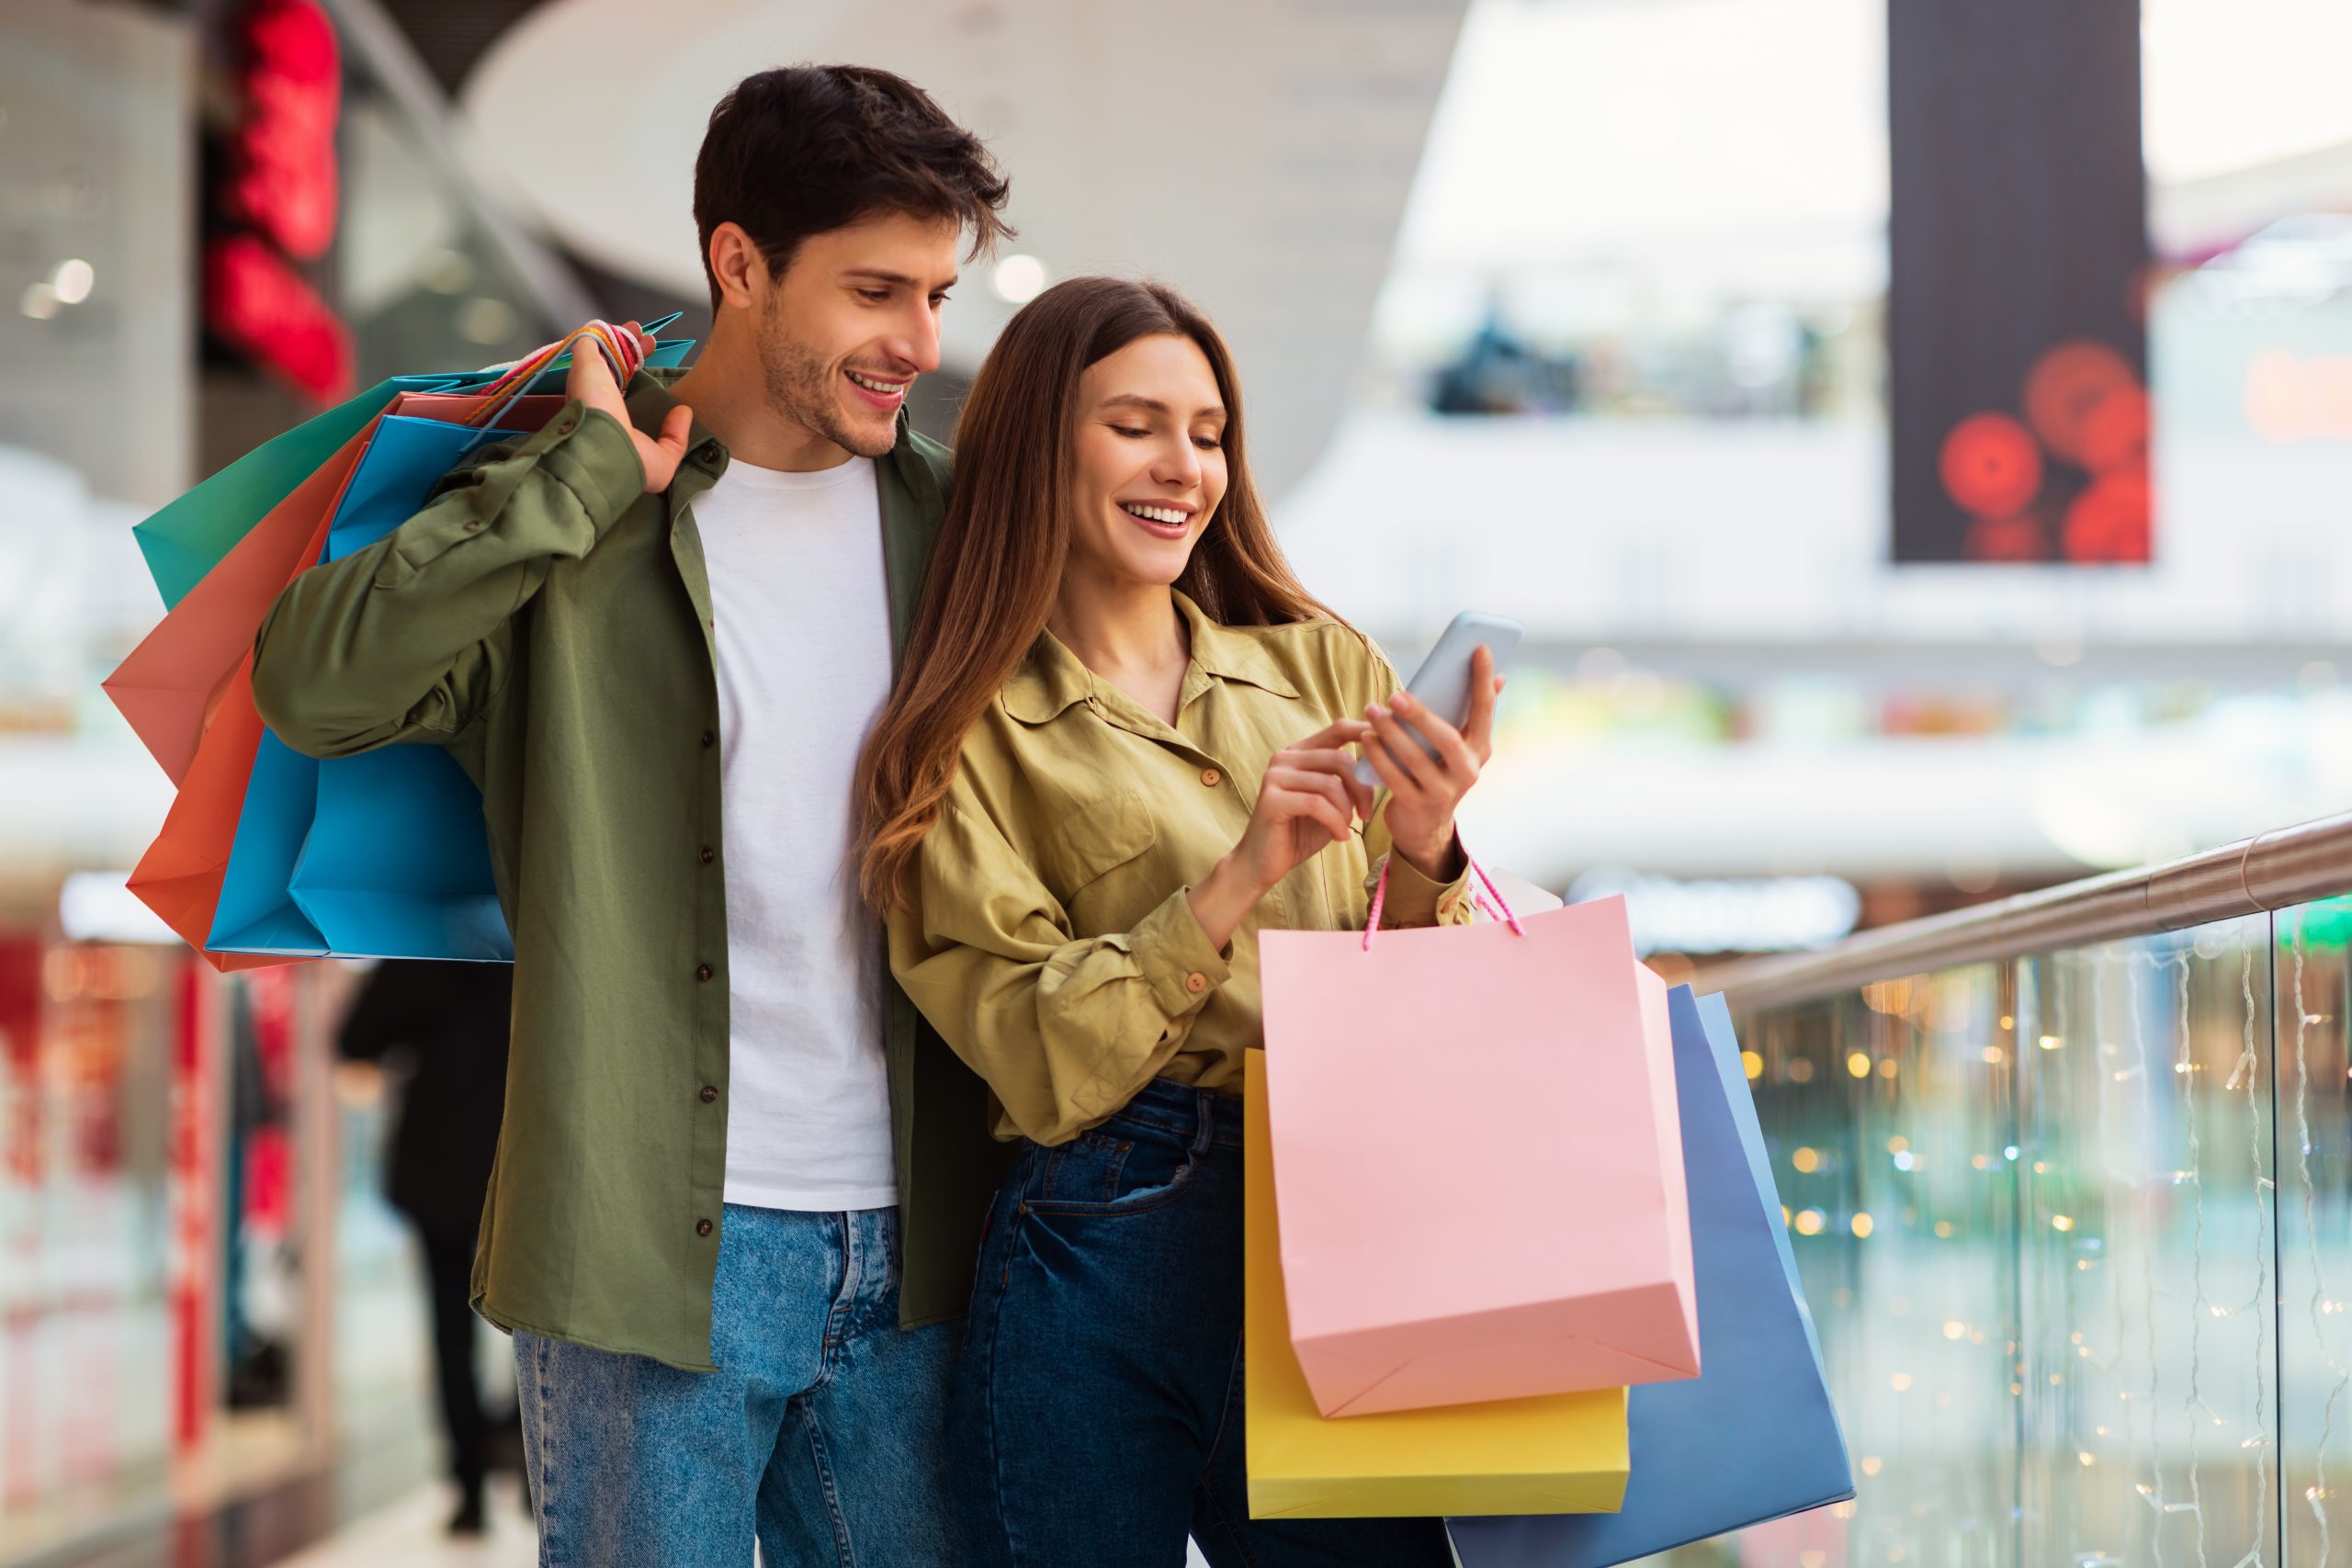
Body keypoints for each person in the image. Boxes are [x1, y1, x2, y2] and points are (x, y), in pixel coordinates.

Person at [252, 66, 1012, 1567]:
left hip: (926, 1245)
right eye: (877, 290)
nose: (920, 343)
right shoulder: (569, 503)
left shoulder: (964, 528)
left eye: (937, 292)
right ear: (740, 264)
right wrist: (578, 480)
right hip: (647, 1249)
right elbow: (315, 683)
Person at [854, 276, 1503, 1567]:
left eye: (1208, 432)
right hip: (1104, 1230)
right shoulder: (957, 734)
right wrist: (1238, 871)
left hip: (1342, 1207)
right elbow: (1035, 1055)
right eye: (1137, 424)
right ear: (1043, 441)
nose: (1184, 466)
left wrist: (1429, 850)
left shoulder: (1324, 666)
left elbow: (1437, 1010)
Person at [335, 959, 516, 1536]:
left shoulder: (422, 948)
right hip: (521, 1162)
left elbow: (353, 1040)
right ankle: (528, 1458)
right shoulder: (535, 936)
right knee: (541, 1324)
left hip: (438, 1163)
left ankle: (469, 1486)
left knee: (448, 1326)